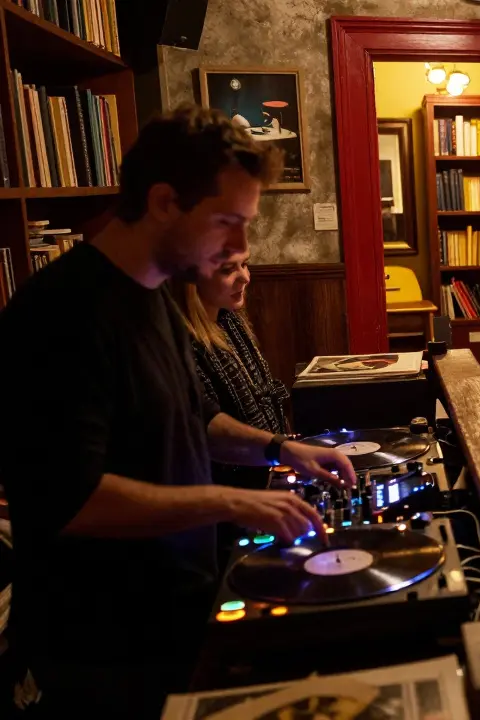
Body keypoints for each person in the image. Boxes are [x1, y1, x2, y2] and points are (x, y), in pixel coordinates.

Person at [0, 105, 358, 717]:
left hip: (175, 609)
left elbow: (196, 421)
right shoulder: (61, 315)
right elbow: (70, 499)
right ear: (165, 202)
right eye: (227, 221)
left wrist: (278, 449)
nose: (242, 246)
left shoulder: (155, 294)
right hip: (103, 642)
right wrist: (231, 501)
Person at [174, 246, 288, 491]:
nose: (245, 277)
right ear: (192, 280)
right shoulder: (181, 344)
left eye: (245, 264)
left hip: (260, 477)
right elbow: (206, 433)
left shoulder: (229, 322)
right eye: (228, 269)